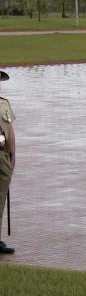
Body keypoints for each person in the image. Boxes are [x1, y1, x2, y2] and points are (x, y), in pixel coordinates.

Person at [0, 70, 16, 254]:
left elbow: (10, 130)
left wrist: (13, 154)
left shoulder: (4, 104)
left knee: (1, 197)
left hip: (2, 155)